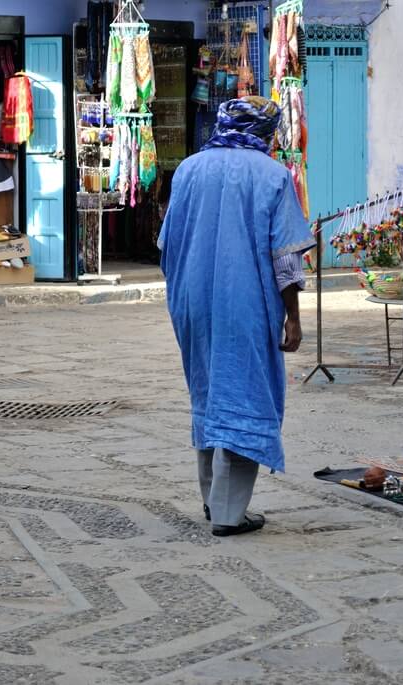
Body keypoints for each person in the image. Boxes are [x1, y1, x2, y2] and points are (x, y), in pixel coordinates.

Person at [158, 96, 315, 537]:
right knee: (245, 395)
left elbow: (166, 244)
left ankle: (213, 501)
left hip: (193, 303)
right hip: (245, 302)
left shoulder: (189, 169)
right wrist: (293, 318)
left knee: (207, 391)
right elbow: (285, 258)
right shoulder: (272, 174)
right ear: (265, 132)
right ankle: (229, 513)